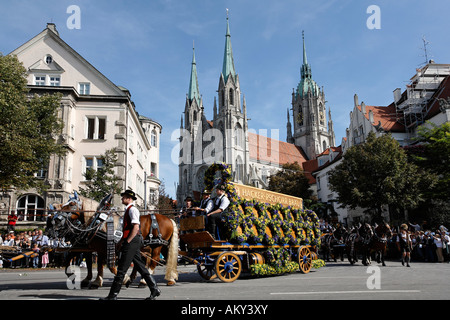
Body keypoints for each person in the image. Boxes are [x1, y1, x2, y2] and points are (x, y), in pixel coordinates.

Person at [101, 189, 160, 300]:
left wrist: (127, 241)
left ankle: (112, 295)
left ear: (129, 198)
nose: (122, 198)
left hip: (132, 241)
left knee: (122, 269)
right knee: (140, 267)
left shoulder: (132, 210)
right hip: (131, 241)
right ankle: (154, 289)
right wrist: (122, 241)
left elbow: (136, 227)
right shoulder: (128, 210)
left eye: (124, 197)